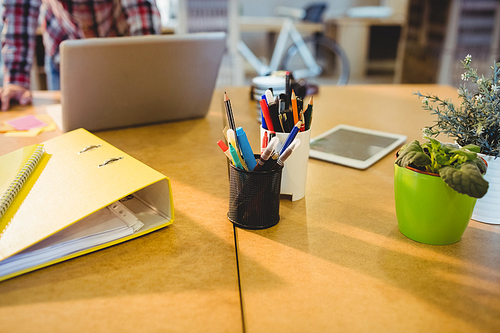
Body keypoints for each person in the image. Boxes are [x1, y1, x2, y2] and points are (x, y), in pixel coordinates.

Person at [0, 0, 162, 111]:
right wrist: (16, 80)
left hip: (118, 46)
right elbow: (20, 7)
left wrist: (146, 64)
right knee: (65, 127)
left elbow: (141, 6)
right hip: (63, 44)